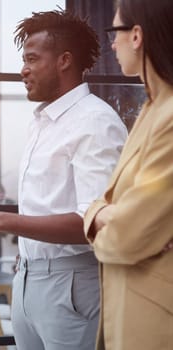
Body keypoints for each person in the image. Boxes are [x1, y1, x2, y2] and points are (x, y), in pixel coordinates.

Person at [0, 9, 128, 350]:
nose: (23, 69)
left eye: (31, 58)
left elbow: (96, 224)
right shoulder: (43, 122)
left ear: (64, 61)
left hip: (72, 285)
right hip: (29, 278)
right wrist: (30, 255)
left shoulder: (95, 122)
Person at [84, 1, 173, 349]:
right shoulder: (153, 109)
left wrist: (101, 217)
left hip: (154, 327)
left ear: (136, 36)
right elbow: (118, 213)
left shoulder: (168, 117)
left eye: (114, 32)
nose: (111, 43)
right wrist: (102, 213)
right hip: (129, 316)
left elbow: (128, 234)